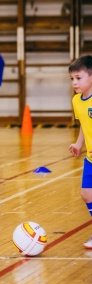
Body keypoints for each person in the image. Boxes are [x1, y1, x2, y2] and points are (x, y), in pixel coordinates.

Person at [68, 55, 92, 249]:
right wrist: (78, 143)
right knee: (86, 194)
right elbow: (84, 124)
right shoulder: (77, 101)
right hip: (90, 158)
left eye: (78, 78)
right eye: (72, 79)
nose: (74, 82)